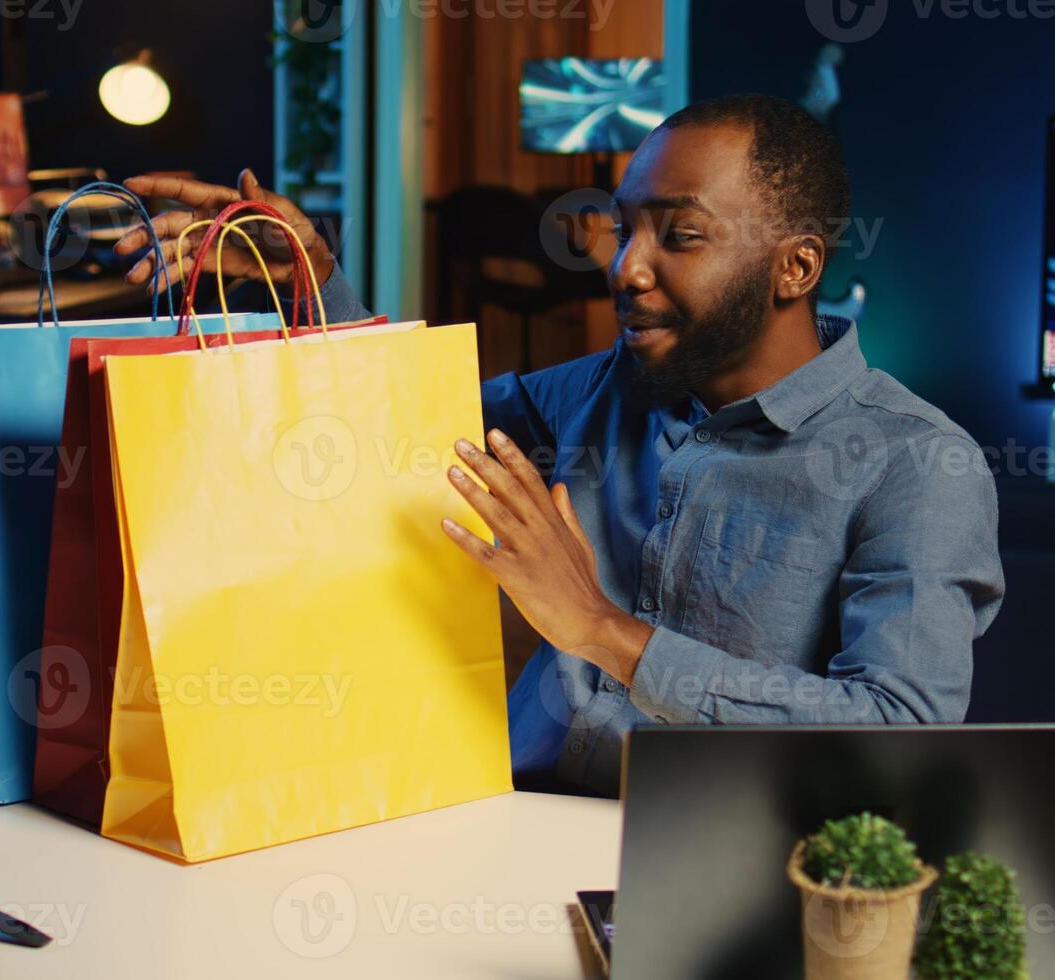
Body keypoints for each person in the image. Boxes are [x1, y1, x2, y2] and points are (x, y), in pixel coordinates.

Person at [112, 94, 1004, 797]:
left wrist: (603, 633)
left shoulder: (917, 466)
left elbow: (900, 732)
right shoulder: (606, 384)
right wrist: (310, 279)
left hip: (724, 865)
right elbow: (403, 432)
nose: (625, 266)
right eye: (626, 227)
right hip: (503, 812)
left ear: (796, 267)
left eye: (679, 235)